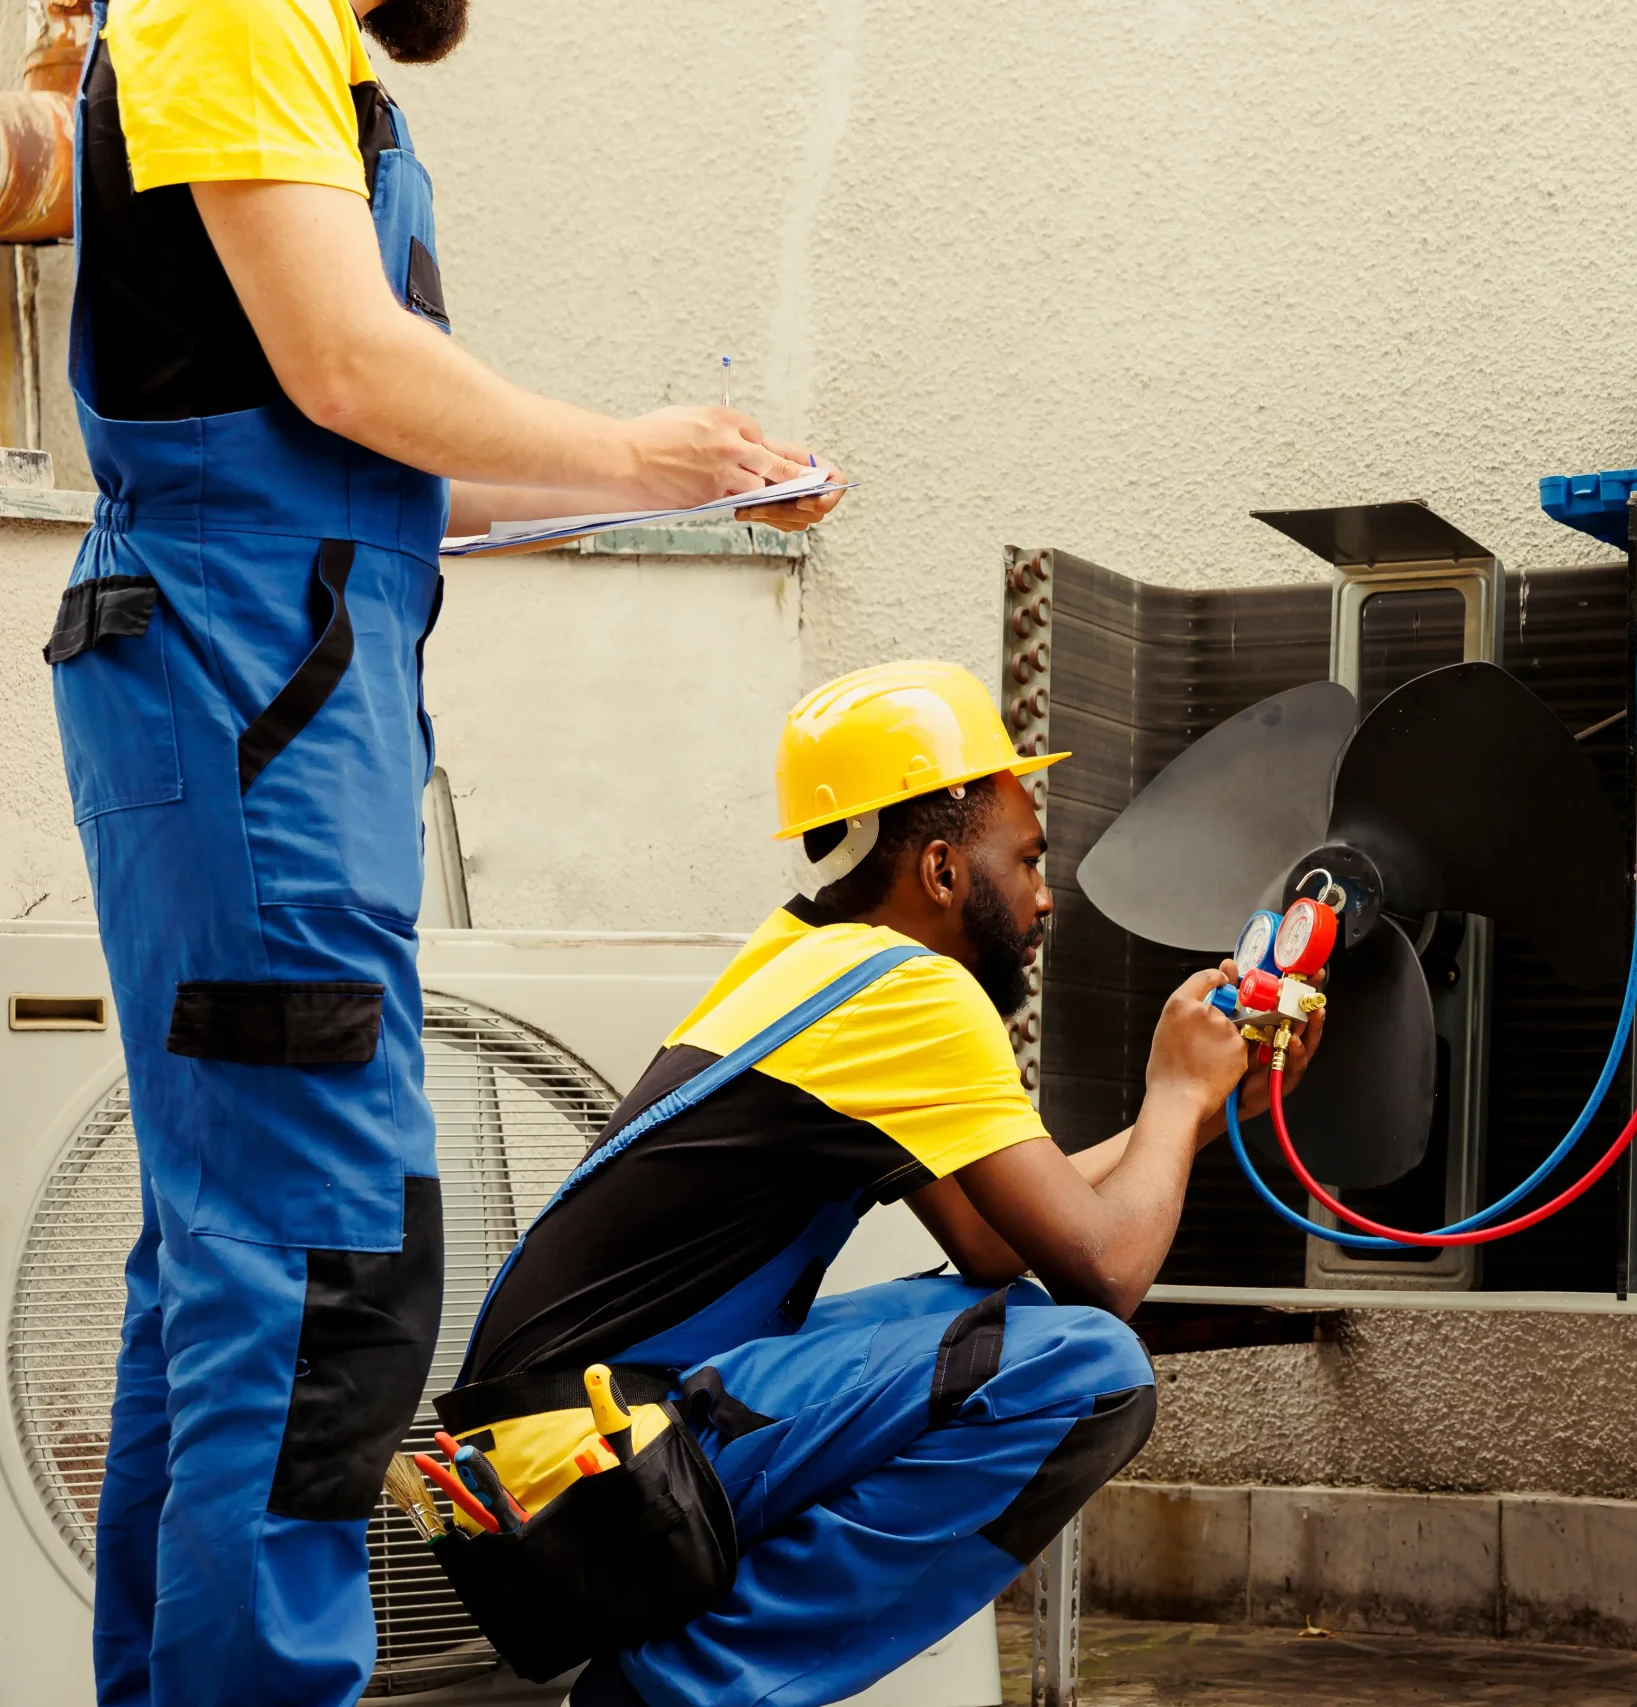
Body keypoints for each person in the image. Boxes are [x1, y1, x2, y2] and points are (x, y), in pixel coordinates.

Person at [49, 2, 843, 1703]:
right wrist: (636, 443)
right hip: (247, 688)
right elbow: (349, 365)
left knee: (235, 1267)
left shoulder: (310, 52)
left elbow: (376, 450)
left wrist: (671, 485)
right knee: (322, 1270)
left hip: (271, 696)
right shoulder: (235, 2)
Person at [445, 661, 1318, 1707]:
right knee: (1082, 1364)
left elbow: (999, 1245)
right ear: (945, 870)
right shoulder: (912, 989)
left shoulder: (812, 960)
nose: (1045, 898)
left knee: (989, 1310)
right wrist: (1175, 1093)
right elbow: (1109, 1272)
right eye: (1028, 859)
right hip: (599, 1478)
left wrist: (1214, 1109)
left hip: (540, 1468)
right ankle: (684, 1693)